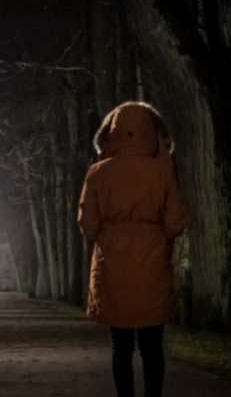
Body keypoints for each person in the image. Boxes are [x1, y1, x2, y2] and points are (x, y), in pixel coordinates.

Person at [77, 101, 186, 397]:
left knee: (120, 346)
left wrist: (110, 234)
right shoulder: (162, 172)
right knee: (152, 347)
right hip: (151, 260)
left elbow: (87, 224)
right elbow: (176, 223)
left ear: (110, 133)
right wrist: (155, 236)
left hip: (112, 262)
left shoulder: (97, 173)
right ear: (153, 132)